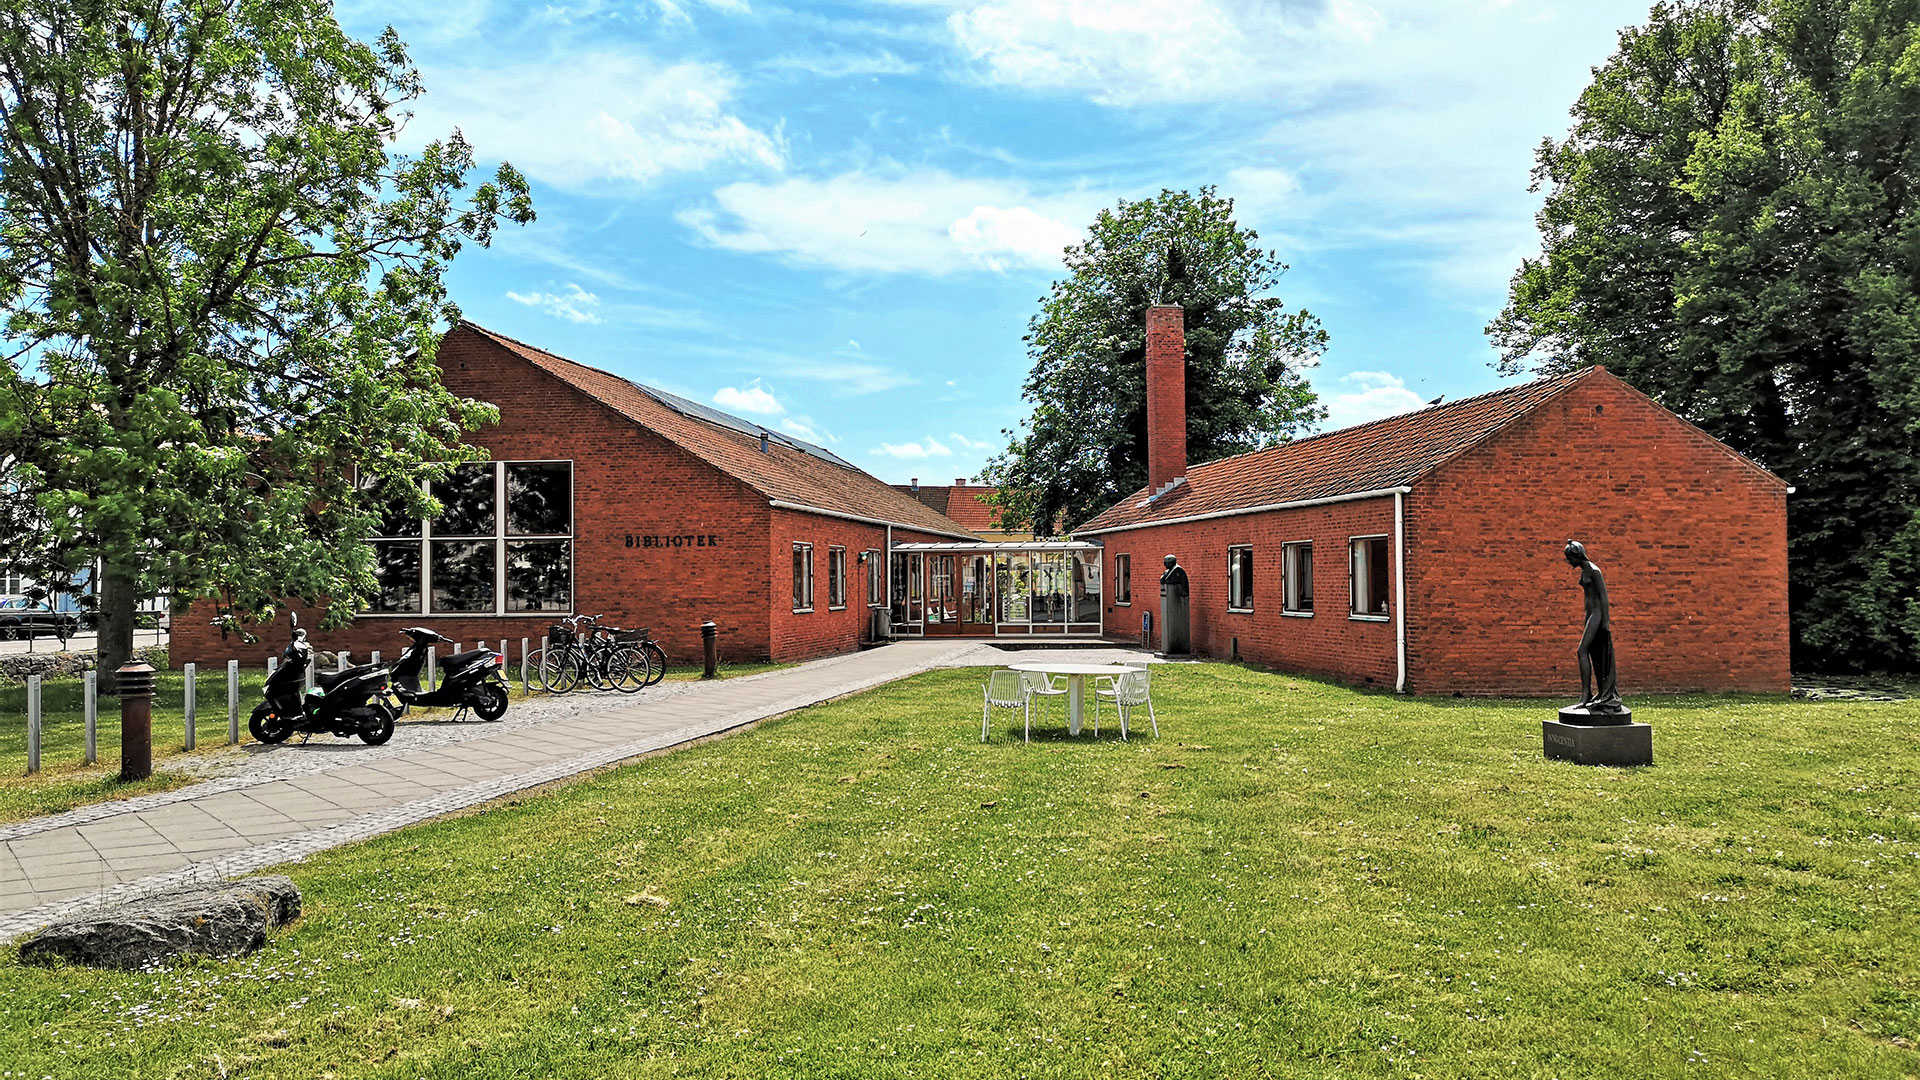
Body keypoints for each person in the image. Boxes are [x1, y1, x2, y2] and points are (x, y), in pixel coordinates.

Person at [1564, 540, 1623, 709]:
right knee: (1593, 653)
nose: (1568, 561)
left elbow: (1604, 598)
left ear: (1577, 556)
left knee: (1581, 651)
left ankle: (1585, 695)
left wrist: (1605, 623)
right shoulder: (1585, 570)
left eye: (1569, 558)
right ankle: (1598, 692)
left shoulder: (1594, 571)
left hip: (1596, 616)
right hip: (1590, 616)